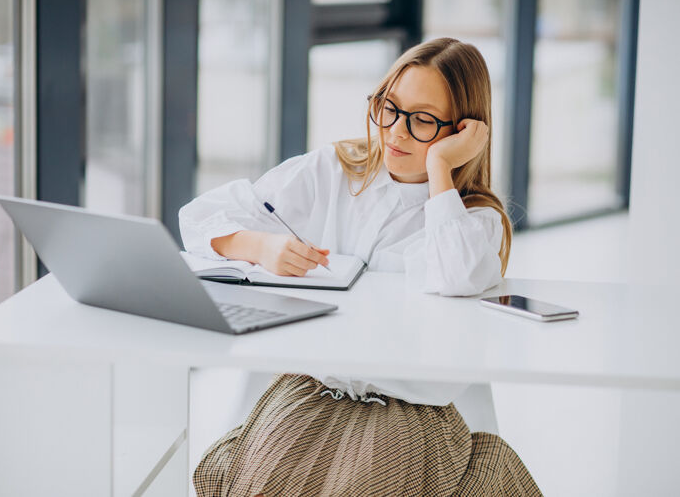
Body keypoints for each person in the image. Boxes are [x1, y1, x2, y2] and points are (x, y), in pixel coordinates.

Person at [179, 38, 541, 496]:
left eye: (423, 121)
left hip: (408, 416)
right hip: (314, 397)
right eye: (389, 107)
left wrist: (440, 169)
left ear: (463, 131)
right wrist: (260, 246)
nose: (396, 131)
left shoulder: (473, 217)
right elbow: (200, 217)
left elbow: (458, 276)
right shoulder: (335, 169)